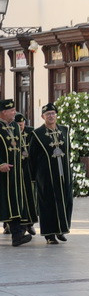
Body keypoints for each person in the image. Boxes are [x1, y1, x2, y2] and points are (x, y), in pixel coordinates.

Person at [30, 102, 73, 245]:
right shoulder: (37, 134)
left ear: (56, 115)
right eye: (48, 114)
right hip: (46, 175)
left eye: (53, 113)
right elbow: (32, 157)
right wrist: (33, 177)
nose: (51, 116)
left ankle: (61, 229)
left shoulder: (64, 130)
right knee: (48, 204)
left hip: (63, 173)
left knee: (65, 201)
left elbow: (68, 151)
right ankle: (49, 234)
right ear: (43, 116)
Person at [0, 99, 32, 246]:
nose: (14, 113)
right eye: (11, 110)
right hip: (2, 175)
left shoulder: (14, 126)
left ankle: (17, 236)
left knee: (15, 202)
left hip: (15, 174)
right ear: (3, 112)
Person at [14, 114, 38, 238]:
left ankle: (30, 223)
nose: (20, 127)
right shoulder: (11, 132)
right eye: (18, 125)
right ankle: (12, 225)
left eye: (22, 125)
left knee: (30, 197)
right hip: (16, 170)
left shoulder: (31, 132)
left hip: (29, 169)